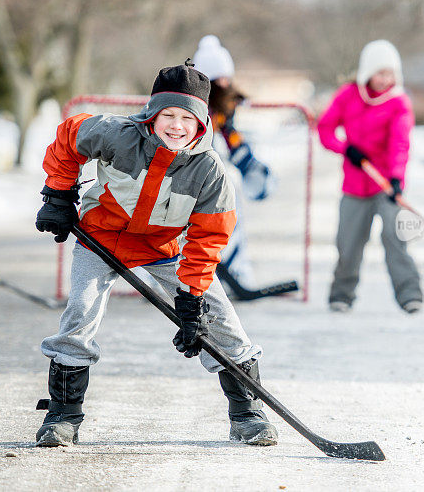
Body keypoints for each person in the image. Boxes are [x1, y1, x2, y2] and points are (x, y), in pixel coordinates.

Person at [33, 60, 278, 448]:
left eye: (187, 117)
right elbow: (69, 135)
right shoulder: (118, 135)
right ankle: (63, 415)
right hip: (101, 238)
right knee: (80, 312)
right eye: (168, 114)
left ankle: (247, 413)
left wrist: (192, 301)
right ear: (152, 113)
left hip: (164, 248)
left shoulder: (210, 171)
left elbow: (208, 238)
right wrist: (58, 194)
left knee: (221, 319)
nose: (176, 125)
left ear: (202, 123)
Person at [317, 40, 422, 314]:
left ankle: (409, 293)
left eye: (391, 74)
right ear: (367, 72)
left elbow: (401, 143)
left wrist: (397, 178)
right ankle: (341, 295)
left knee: (393, 235)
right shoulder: (348, 95)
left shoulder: (399, 102)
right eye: (380, 73)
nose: (386, 79)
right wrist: (345, 148)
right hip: (354, 184)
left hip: (386, 185)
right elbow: (325, 129)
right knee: (347, 243)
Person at [192, 35, 275, 293]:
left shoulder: (223, 108)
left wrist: (252, 168)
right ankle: (165, 280)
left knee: (231, 219)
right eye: (220, 79)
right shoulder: (192, 110)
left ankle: (235, 273)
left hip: (216, 182)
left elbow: (233, 140)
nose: (226, 84)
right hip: (190, 181)